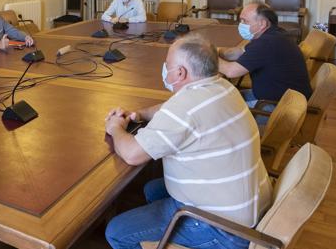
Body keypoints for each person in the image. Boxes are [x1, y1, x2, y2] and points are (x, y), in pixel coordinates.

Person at [104, 34, 271, 249]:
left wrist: (115, 128)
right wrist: (138, 114)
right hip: (247, 211)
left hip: (224, 229)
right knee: (153, 190)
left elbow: (132, 154)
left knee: (116, 231)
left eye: (167, 65)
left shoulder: (186, 109)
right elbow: (170, 108)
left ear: (180, 72)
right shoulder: (221, 87)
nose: (165, 70)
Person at [218, 1, 311, 111]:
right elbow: (236, 53)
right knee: (224, 98)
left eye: (245, 21)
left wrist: (206, 57)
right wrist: (216, 50)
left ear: (262, 24)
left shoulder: (266, 43)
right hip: (282, 98)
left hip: (280, 108)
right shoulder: (275, 34)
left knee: (220, 108)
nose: (240, 25)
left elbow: (231, 71)